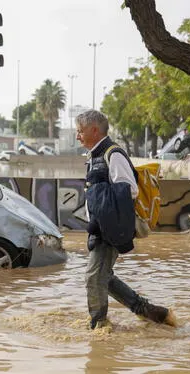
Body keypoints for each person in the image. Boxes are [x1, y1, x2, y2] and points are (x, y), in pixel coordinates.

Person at [75, 109, 177, 330]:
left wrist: (103, 216)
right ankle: (152, 313)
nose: (77, 136)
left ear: (94, 130)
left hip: (108, 228)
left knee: (94, 277)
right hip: (100, 227)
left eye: (80, 131)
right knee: (104, 276)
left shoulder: (113, 154)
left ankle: (99, 325)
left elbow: (129, 189)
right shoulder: (96, 155)